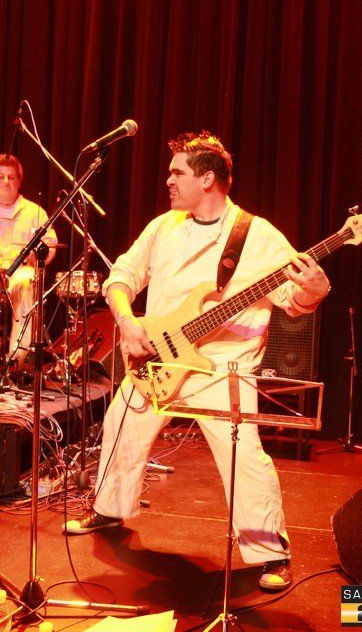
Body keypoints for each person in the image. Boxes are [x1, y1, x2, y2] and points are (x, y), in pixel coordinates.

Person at [63, 131, 330, 592]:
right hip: (158, 358)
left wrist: (315, 291)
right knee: (122, 424)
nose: (168, 181)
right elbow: (123, 275)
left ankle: (270, 551)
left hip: (223, 368)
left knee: (243, 454)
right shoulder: (163, 227)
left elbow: (293, 297)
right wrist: (127, 320)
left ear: (207, 179)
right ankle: (108, 509)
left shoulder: (257, 235)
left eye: (177, 173)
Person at [0, 153, 57, 371]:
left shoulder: (35, 212)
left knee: (26, 281)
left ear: (19, 181)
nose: (6, 181)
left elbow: (50, 245)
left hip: (20, 272)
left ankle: (17, 360)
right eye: (1, 177)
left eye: (11, 177)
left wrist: (39, 255)